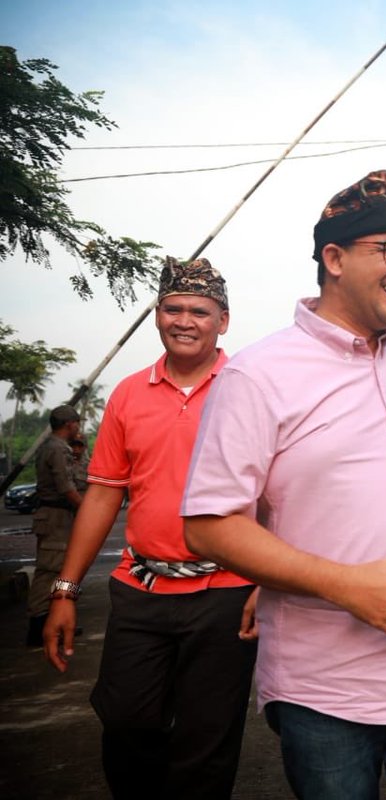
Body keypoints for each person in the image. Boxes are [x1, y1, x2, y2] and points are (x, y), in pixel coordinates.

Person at [181, 170, 386, 800]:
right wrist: (341, 583)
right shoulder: (258, 376)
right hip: (328, 690)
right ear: (333, 257)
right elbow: (208, 523)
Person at [42, 258, 258, 800]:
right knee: (127, 721)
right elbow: (104, 491)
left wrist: (268, 581)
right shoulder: (128, 394)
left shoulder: (252, 388)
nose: (184, 320)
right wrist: (65, 589)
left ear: (223, 321)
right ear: (157, 315)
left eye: (199, 311)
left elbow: (283, 494)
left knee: (206, 742)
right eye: (172, 308)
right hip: (141, 587)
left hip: (228, 592)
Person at [26, 404, 83, 645]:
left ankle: (53, 622)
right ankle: (39, 624)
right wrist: (86, 509)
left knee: (60, 568)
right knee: (49, 570)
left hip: (56, 517)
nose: (78, 429)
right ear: (70, 424)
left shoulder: (50, 446)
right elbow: (66, 486)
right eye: (77, 424)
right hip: (56, 518)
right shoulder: (59, 449)